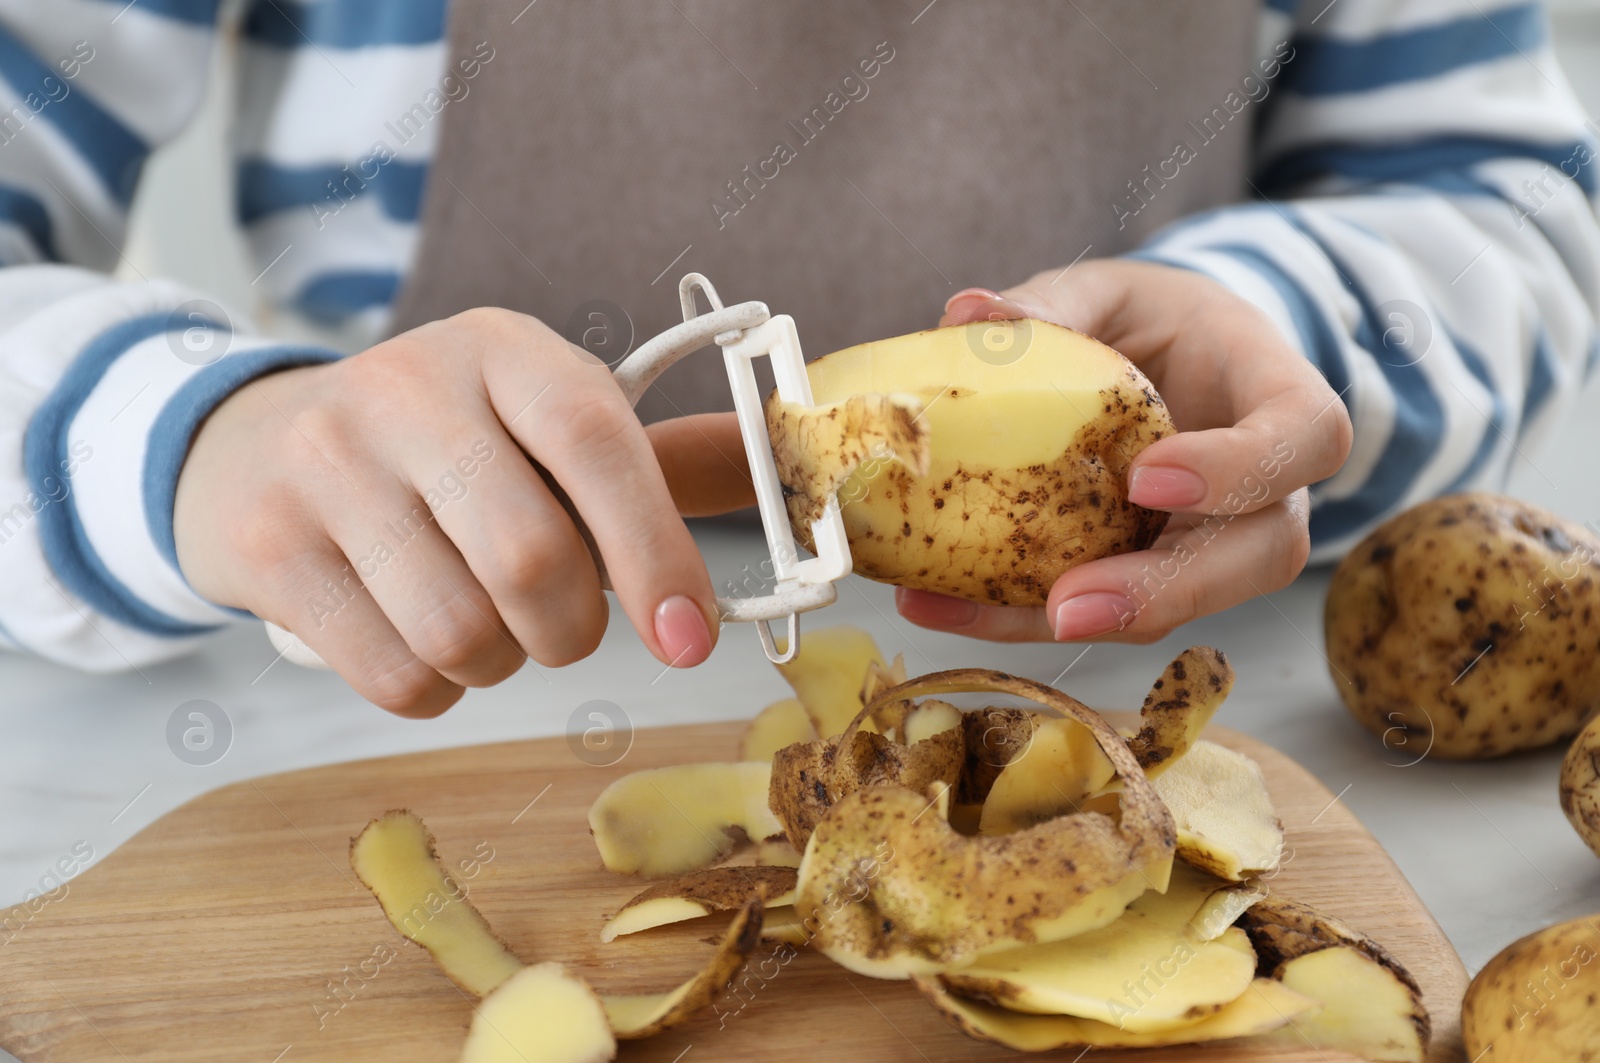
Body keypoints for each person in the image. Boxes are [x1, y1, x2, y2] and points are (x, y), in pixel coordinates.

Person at [0, 0, 1594, 718]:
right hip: (390, 668)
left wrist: (1278, 344)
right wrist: (188, 440)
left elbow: (1502, 200)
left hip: (1160, 698)